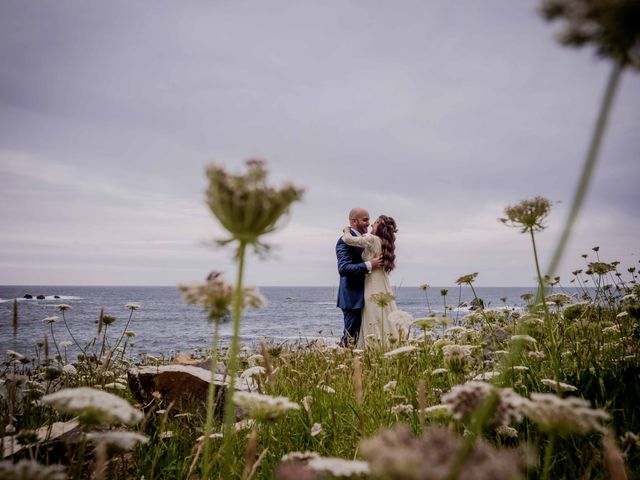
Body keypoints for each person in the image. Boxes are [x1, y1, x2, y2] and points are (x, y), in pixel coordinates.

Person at [342, 214, 399, 348]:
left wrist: (346, 230)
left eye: (375, 223)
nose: (371, 225)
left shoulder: (372, 239)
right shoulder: (385, 243)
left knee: (372, 314)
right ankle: (388, 343)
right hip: (382, 281)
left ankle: (374, 346)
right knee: (384, 312)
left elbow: (349, 240)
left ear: (380, 226)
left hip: (372, 282)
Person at [335, 208, 381, 346]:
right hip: (352, 297)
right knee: (351, 337)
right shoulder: (344, 241)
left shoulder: (366, 240)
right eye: (365, 219)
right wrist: (369, 265)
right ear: (354, 221)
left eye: (369, 219)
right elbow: (343, 269)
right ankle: (344, 363)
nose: (368, 223)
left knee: (365, 337)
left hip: (368, 295)